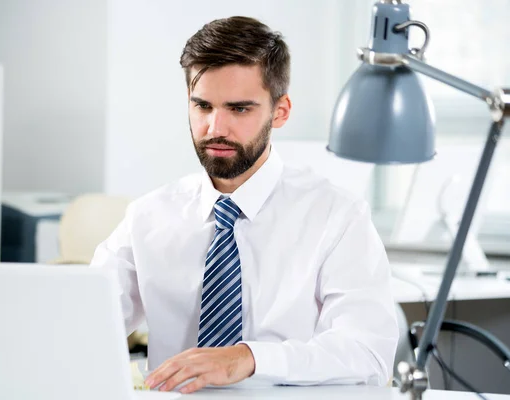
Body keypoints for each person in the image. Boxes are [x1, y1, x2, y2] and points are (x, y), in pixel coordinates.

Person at [90, 15, 399, 394]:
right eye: (202, 106)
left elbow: (368, 353)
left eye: (238, 109)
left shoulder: (337, 215)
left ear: (280, 111)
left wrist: (250, 359)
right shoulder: (148, 217)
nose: (215, 128)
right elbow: (83, 323)